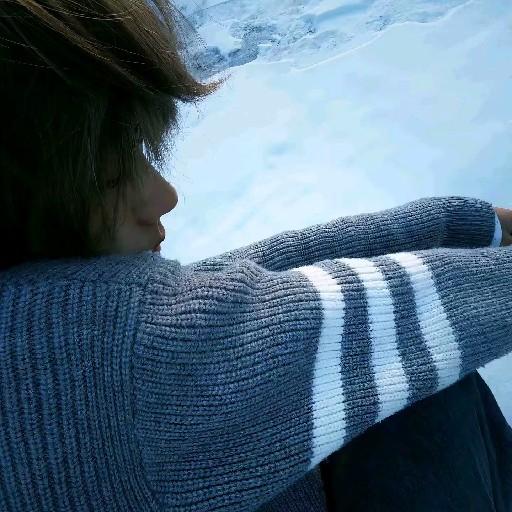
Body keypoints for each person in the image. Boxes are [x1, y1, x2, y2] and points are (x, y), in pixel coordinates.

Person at [0, 2, 511, 511]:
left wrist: (458, 225)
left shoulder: (33, 326)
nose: (163, 196)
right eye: (110, 178)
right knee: (408, 374)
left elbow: (232, 288)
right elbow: (372, 318)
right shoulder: (128, 363)